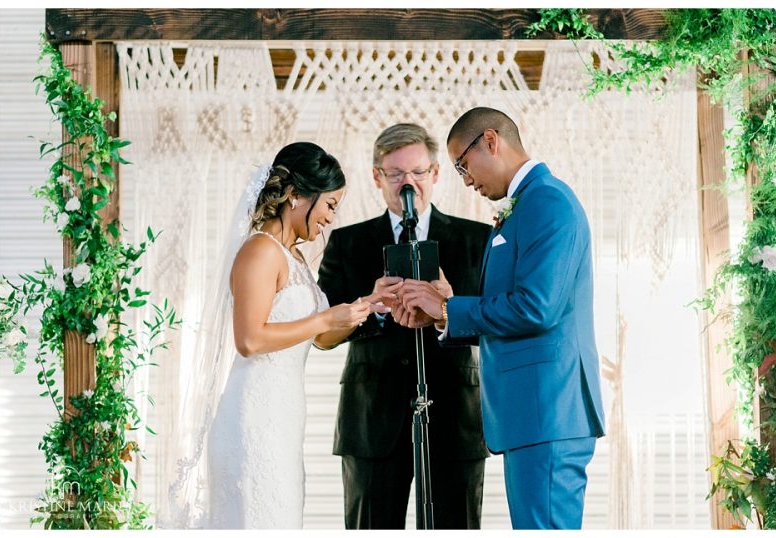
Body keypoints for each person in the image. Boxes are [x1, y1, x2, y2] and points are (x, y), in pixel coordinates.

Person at [399, 108, 606, 529]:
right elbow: (518, 307)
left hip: (548, 410)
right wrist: (446, 313)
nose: (466, 180)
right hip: (533, 413)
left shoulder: (547, 201)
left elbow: (536, 307)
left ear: (490, 141)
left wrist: (449, 309)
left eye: (462, 165)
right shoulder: (527, 204)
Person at [164, 142, 386, 529]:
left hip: (283, 416)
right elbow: (249, 340)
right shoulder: (260, 251)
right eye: (330, 205)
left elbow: (319, 338)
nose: (331, 219)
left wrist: (364, 306)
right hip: (254, 415)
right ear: (297, 195)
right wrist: (323, 319)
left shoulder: (294, 258)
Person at [315, 123, 491, 529]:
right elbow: (321, 336)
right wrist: (371, 309)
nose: (407, 183)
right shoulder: (346, 243)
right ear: (377, 177)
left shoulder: (477, 239)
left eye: (417, 172)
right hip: (371, 421)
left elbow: (495, 324)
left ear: (435, 173)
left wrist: (450, 310)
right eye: (395, 174)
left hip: (455, 418)